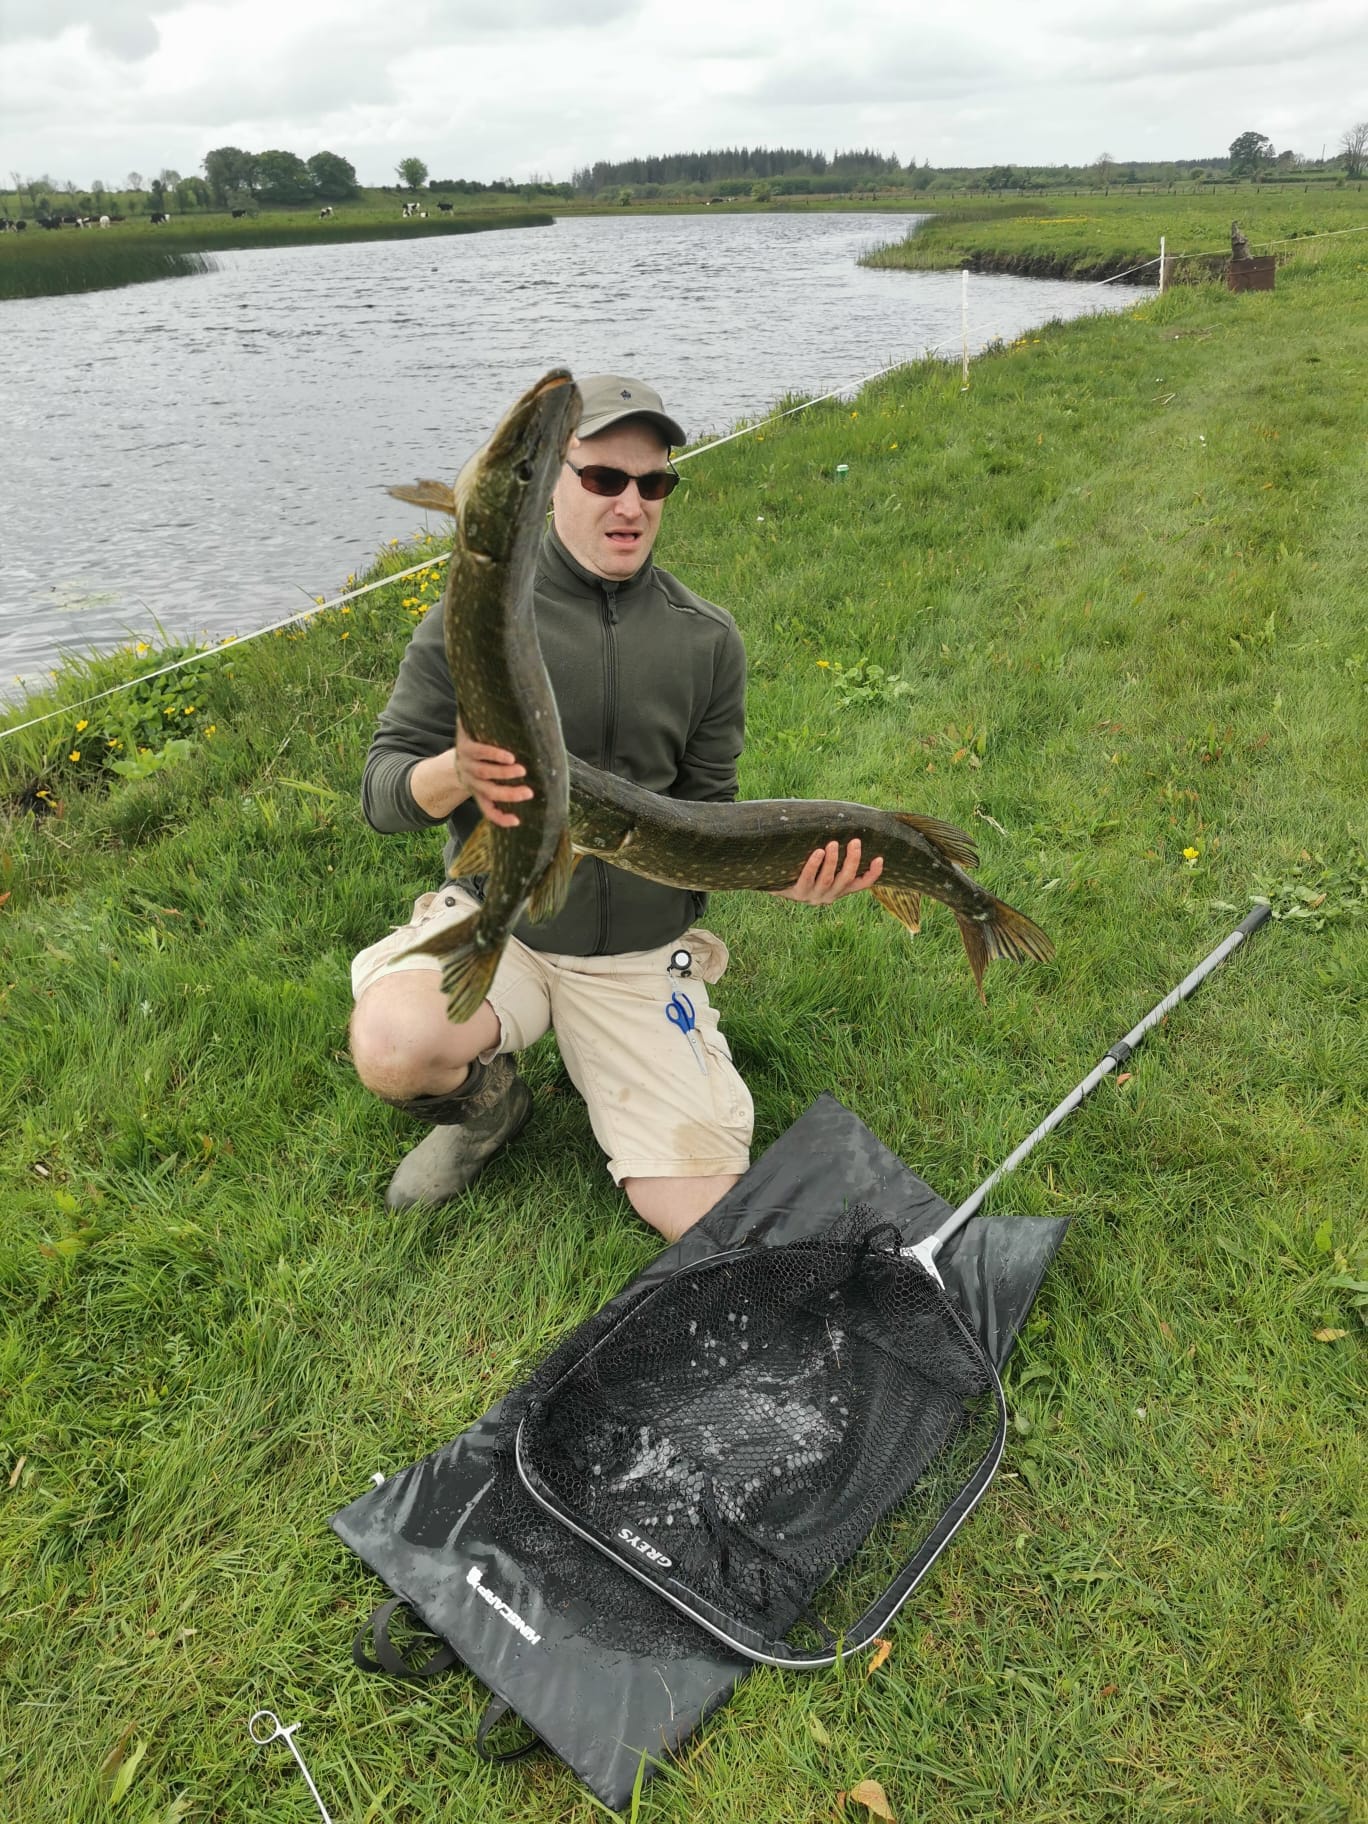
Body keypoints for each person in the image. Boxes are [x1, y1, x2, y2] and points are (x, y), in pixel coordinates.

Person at [349, 374, 883, 1243]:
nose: (631, 502)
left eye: (654, 482)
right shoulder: (471, 618)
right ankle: (485, 1107)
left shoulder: (706, 639)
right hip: (507, 922)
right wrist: (456, 773)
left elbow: (710, 813)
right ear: (549, 486)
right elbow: (383, 791)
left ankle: (628, 1061)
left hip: (637, 954)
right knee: (396, 1043)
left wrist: (785, 876)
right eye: (603, 478)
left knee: (706, 1216)